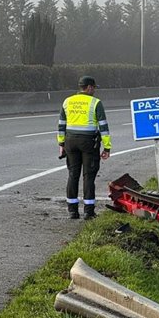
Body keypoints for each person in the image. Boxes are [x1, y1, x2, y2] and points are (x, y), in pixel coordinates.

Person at [57, 76, 111, 219]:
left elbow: (61, 124)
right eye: (93, 87)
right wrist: (107, 147)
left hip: (70, 141)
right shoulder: (96, 103)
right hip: (88, 142)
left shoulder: (67, 101)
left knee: (73, 175)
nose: (94, 90)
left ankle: (72, 210)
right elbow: (104, 127)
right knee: (88, 176)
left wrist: (61, 144)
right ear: (89, 87)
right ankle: (89, 211)